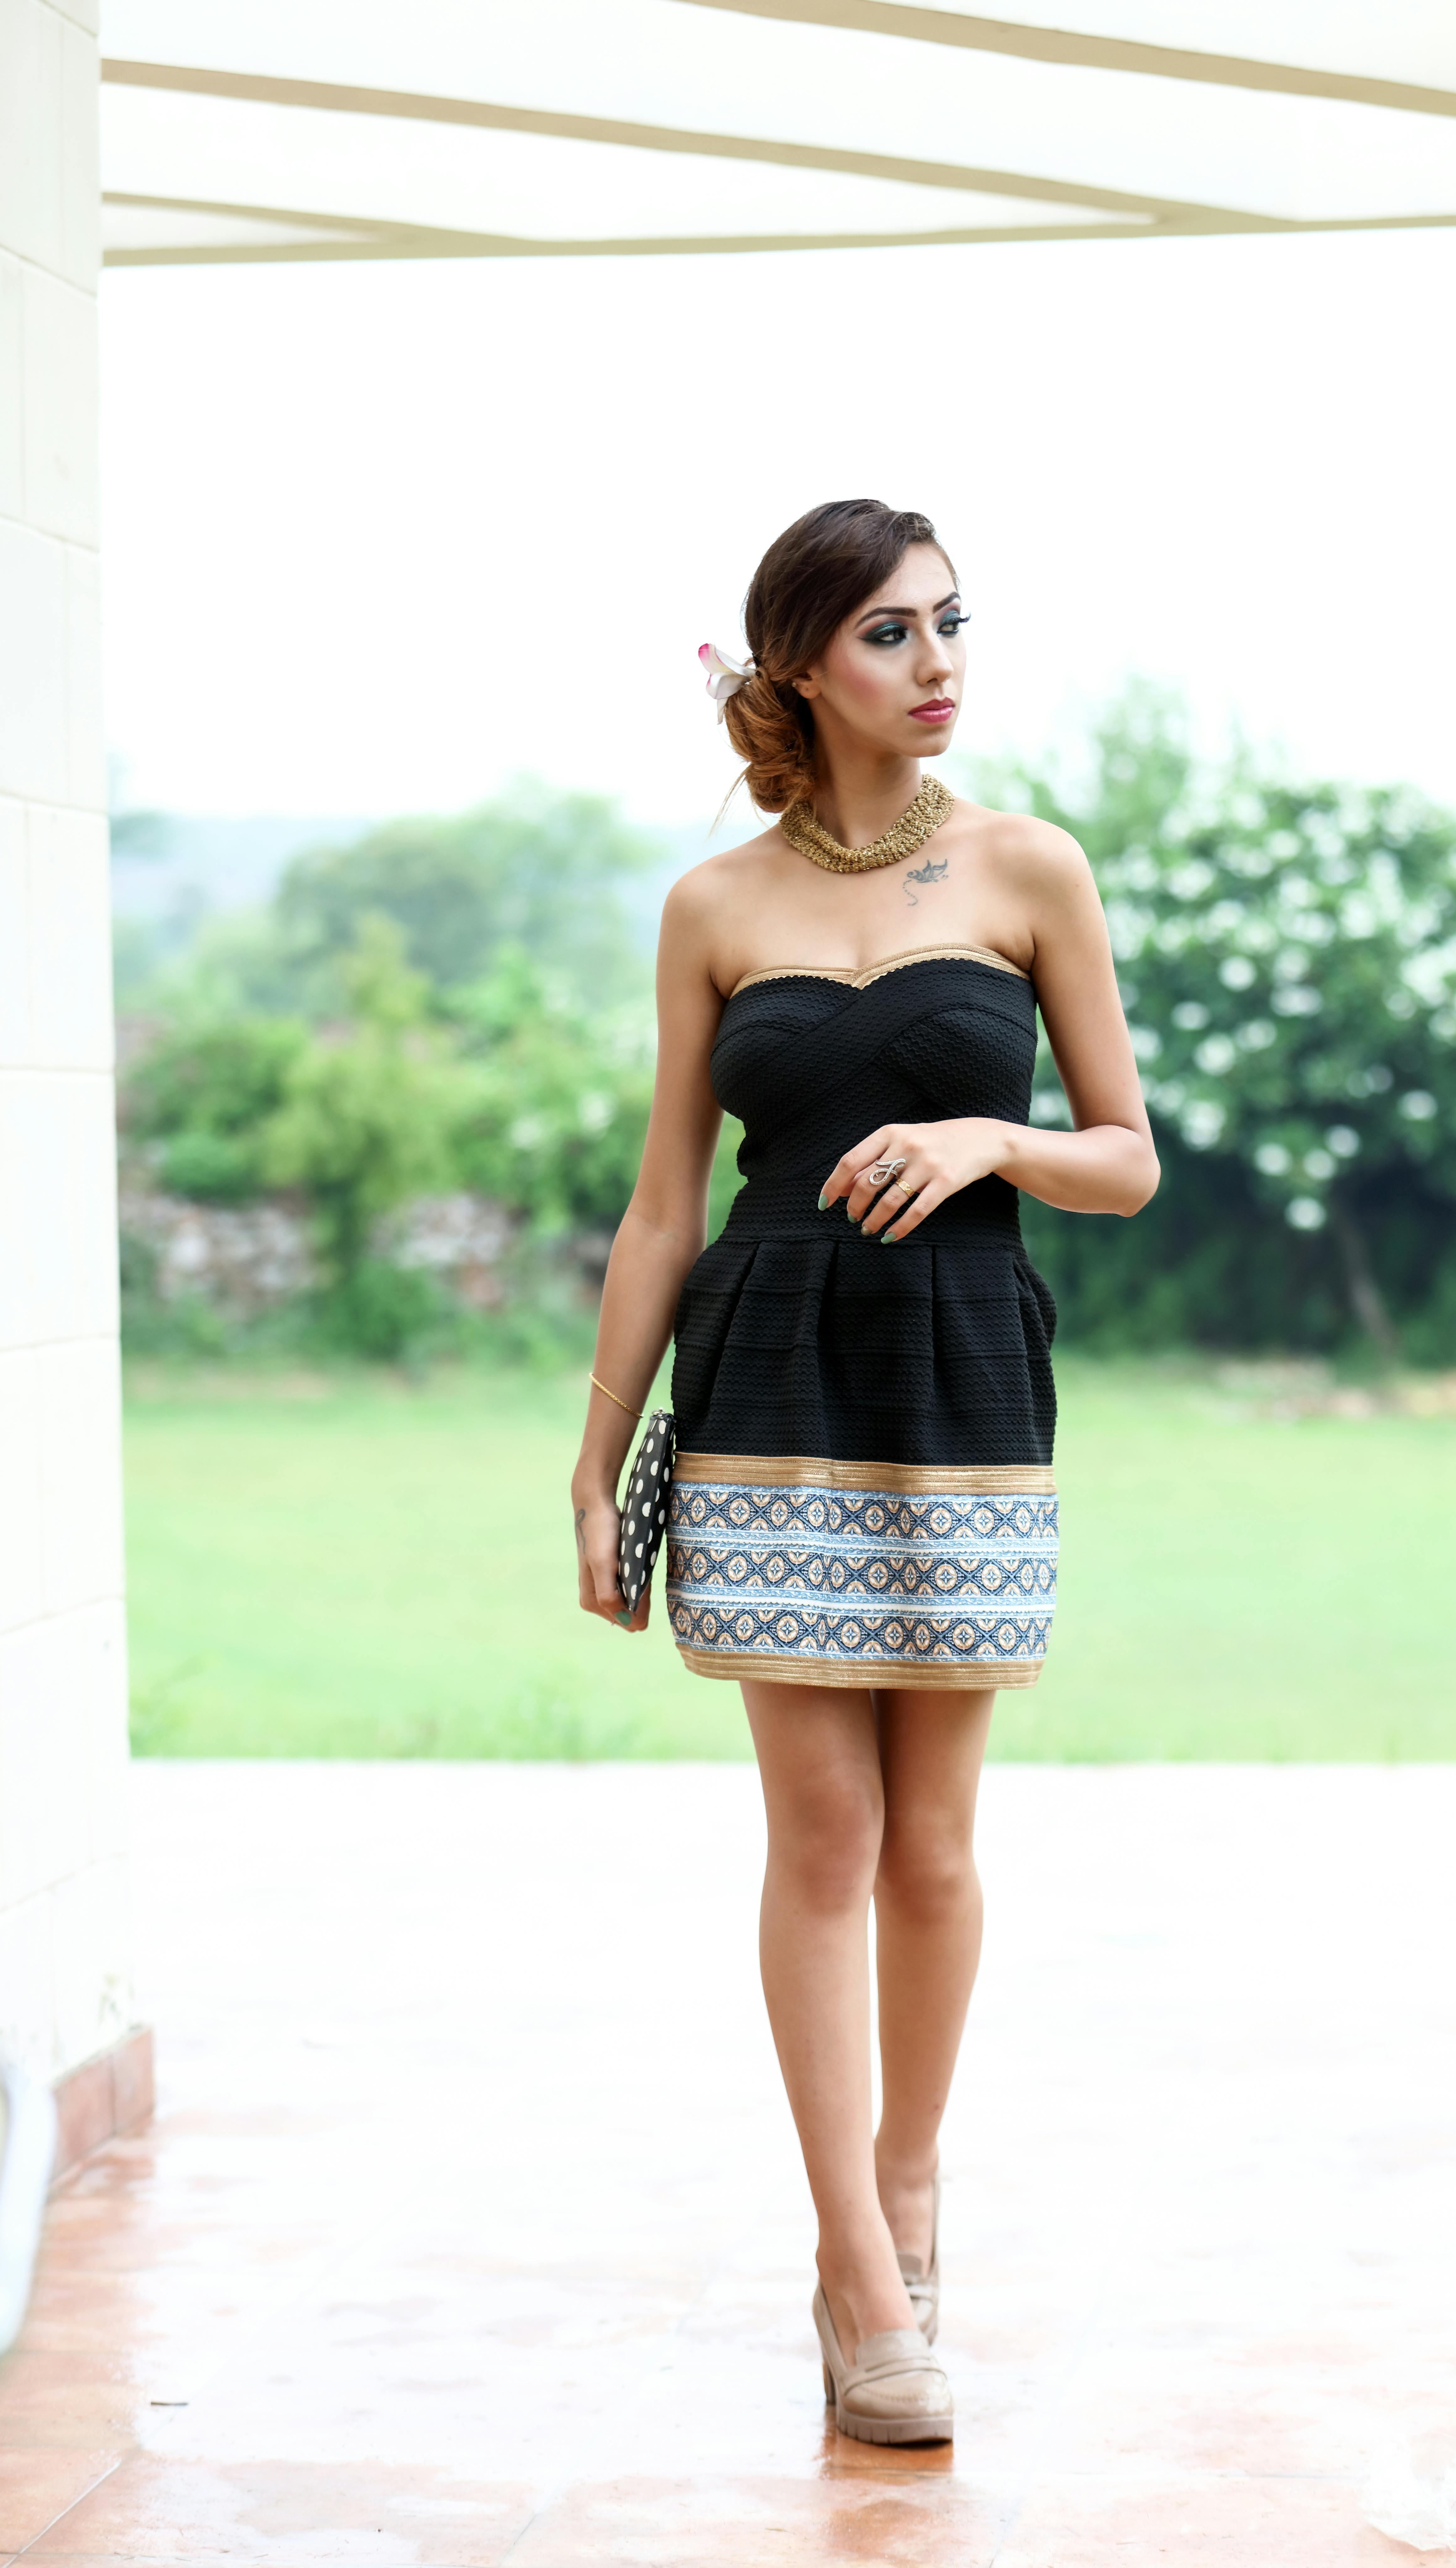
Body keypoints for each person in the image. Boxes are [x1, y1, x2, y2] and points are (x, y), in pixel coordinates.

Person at [571, 499, 1157, 2444]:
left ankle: (913, 2181)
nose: (938, 662)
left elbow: (1126, 1155)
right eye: (894, 635)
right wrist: (595, 1470)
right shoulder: (714, 908)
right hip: (764, 1377)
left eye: (951, 625)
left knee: (935, 1844)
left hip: (964, 1371)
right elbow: (663, 1210)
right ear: (804, 666)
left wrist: (990, 1145)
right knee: (818, 1842)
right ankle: (853, 2267)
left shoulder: (1025, 869)